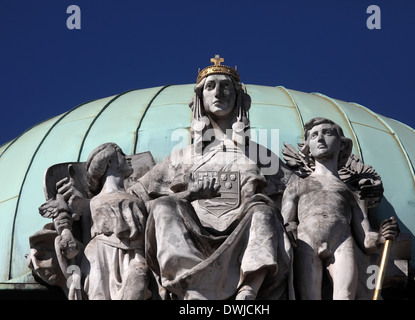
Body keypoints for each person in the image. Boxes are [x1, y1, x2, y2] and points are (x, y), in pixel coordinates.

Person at [129, 56, 293, 300]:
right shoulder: (181, 157)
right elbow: (135, 197)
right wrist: (190, 194)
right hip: (193, 230)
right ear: (200, 98)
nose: (219, 93)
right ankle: (191, 284)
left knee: (263, 211)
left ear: (238, 96)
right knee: (164, 206)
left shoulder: (259, 155)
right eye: (210, 86)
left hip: (243, 227)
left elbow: (298, 187)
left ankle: (248, 287)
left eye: (226, 86)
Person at [281, 117, 398, 300]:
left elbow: (367, 240)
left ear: (342, 145)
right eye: (313, 136)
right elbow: (285, 226)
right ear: (307, 148)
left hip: (343, 241)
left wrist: (383, 236)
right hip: (306, 241)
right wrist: (289, 228)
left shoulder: (353, 194)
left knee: (345, 296)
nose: (320, 139)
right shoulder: (296, 187)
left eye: (327, 133)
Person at [82, 142, 151, 300]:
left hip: (135, 253)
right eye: (121, 154)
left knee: (138, 282)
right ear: (110, 161)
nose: (127, 158)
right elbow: (86, 237)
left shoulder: (137, 198)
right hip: (101, 254)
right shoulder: (93, 203)